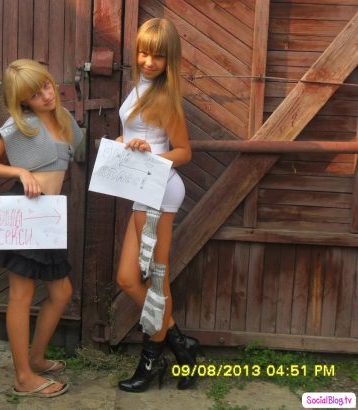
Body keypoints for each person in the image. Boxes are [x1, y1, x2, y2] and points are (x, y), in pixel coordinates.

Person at [0, 59, 83, 398]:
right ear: (22, 101)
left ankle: (35, 359)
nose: (46, 95)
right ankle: (23, 378)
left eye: (47, 86)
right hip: (23, 212)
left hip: (48, 218)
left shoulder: (66, 120)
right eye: (35, 94)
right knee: (20, 296)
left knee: (61, 294)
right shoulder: (21, 125)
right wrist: (20, 172)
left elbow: (80, 154)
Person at [115, 18, 200, 393]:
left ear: (170, 60)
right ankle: (181, 345)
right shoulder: (140, 86)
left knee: (155, 281)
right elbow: (136, 132)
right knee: (127, 279)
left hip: (159, 191)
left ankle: (151, 362)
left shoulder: (165, 97)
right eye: (143, 53)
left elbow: (184, 152)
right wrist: (125, 141)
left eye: (158, 56)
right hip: (141, 188)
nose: (148, 62)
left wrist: (150, 151)